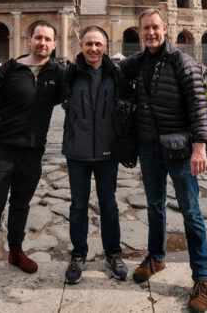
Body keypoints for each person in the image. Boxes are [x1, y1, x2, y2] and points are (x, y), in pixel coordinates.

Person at [119, 8, 207, 313]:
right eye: (145, 28)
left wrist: (200, 147)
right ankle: (156, 258)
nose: (150, 33)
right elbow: (111, 71)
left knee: (191, 213)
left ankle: (201, 279)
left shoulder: (182, 62)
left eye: (155, 27)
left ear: (166, 29)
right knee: (155, 206)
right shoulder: (139, 62)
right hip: (149, 147)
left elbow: (200, 105)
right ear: (140, 31)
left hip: (181, 150)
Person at [0, 20, 65, 286]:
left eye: (48, 39)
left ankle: (16, 250)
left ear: (54, 44)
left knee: (21, 204)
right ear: (29, 40)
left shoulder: (57, 73)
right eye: (38, 38)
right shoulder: (10, 69)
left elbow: (75, 97)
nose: (42, 43)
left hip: (33, 152)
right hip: (1, 147)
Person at [61, 26, 128, 284]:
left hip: (107, 152)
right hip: (76, 151)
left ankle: (113, 254)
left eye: (98, 44)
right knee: (77, 206)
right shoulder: (69, 74)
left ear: (106, 46)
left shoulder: (116, 74)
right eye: (89, 43)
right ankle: (78, 254)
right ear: (81, 46)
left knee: (109, 205)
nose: (93, 48)